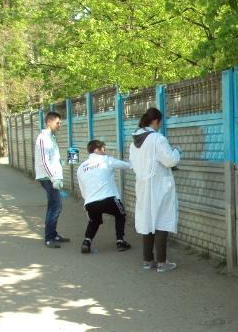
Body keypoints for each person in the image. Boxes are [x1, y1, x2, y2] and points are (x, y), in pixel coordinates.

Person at [129, 107, 180, 273]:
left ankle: (147, 260)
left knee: (147, 221)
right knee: (162, 221)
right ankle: (162, 262)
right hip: (159, 186)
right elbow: (170, 160)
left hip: (143, 186)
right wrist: (176, 152)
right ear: (156, 121)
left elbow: (132, 164)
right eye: (161, 122)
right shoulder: (157, 138)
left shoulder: (134, 142)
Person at [77, 139, 133, 254]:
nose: (105, 152)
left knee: (94, 221)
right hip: (109, 198)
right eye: (103, 149)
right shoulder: (106, 160)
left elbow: (83, 188)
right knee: (121, 214)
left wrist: (87, 201)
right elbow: (127, 165)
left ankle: (86, 242)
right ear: (96, 150)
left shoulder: (81, 167)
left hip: (90, 202)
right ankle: (120, 241)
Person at [34, 111, 70, 249]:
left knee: (53, 206)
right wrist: (54, 178)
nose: (59, 125)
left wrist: (65, 162)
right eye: (57, 123)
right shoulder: (43, 138)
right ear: (49, 122)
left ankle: (53, 235)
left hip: (52, 177)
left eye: (60, 123)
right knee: (56, 206)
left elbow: (53, 159)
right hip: (48, 178)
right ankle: (49, 238)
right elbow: (44, 161)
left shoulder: (51, 138)